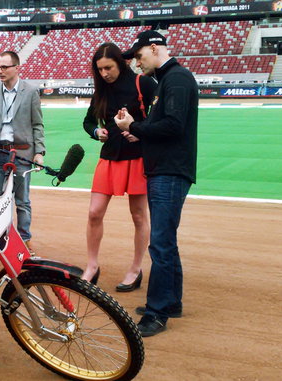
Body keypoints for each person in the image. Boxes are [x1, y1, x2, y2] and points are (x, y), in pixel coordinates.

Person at [114, 30, 198, 337]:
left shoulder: (176, 79)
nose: (137, 64)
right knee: (166, 241)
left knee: (160, 243)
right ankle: (171, 302)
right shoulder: (170, 79)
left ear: (154, 48)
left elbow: (174, 126)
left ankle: (157, 311)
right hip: (166, 168)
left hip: (170, 171)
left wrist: (133, 125)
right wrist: (139, 131)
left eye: (138, 56)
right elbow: (165, 125)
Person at [81, 43, 157, 290]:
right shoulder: (102, 90)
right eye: (100, 69)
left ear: (121, 63)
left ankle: (136, 268)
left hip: (138, 157)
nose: (104, 73)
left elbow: (159, 119)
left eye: (108, 68)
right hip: (109, 156)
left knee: (138, 215)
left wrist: (140, 132)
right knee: (94, 213)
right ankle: (92, 265)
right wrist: (96, 131)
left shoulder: (143, 84)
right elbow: (88, 121)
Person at [0, 51, 45, 253]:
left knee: (22, 201)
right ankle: (0, 238)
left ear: (17, 68)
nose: (0, 71)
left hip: (22, 153)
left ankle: (24, 239)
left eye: (4, 67)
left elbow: (37, 124)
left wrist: (39, 151)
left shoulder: (31, 91)